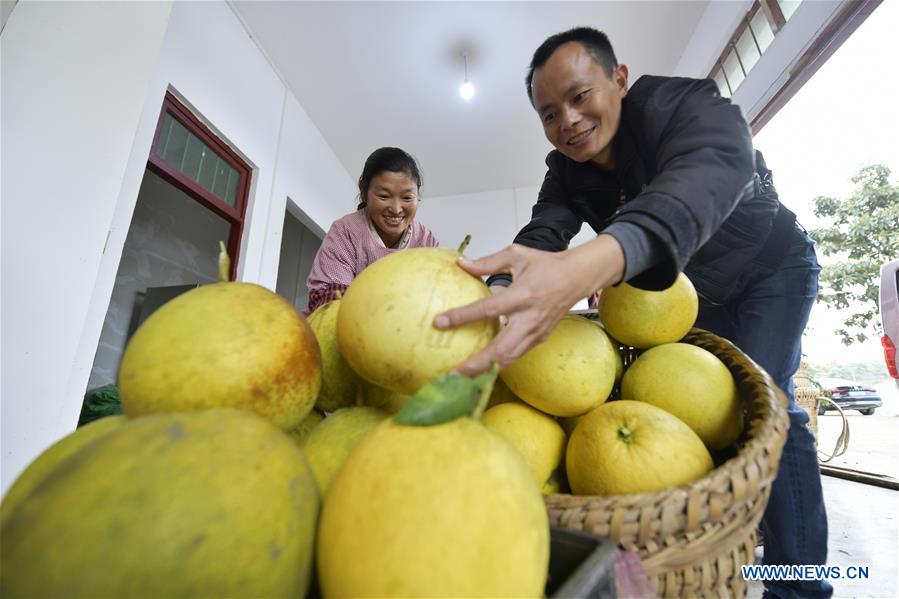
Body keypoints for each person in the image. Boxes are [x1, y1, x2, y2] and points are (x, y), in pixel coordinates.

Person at [435, 27, 830, 599]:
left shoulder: (678, 106)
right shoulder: (566, 171)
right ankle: (747, 550)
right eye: (548, 113)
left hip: (775, 267)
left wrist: (604, 257)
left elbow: (719, 162)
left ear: (618, 79)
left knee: (769, 406)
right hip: (693, 302)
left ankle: (802, 586)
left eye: (578, 96)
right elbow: (546, 229)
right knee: (718, 425)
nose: (567, 121)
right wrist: (499, 287)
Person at [305, 147, 439, 313]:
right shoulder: (346, 231)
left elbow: (434, 301)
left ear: (418, 194)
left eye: (407, 198)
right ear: (363, 190)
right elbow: (328, 300)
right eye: (384, 196)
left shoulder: (426, 243)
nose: (396, 209)